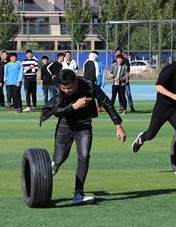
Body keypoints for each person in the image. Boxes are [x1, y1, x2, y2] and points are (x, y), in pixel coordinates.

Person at [40, 69, 126, 205]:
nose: (66, 91)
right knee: (59, 158)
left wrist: (118, 125)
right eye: (63, 88)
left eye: (69, 88)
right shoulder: (58, 88)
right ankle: (53, 167)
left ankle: (78, 194)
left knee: (84, 156)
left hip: (84, 124)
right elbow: (56, 111)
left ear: (76, 82)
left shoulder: (89, 84)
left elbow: (106, 102)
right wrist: (74, 106)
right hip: (65, 124)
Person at [132, 46, 176, 175]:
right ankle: (141, 138)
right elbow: (158, 86)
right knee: (151, 134)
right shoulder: (169, 70)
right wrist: (172, 95)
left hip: (175, 109)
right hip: (162, 107)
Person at [115, 47, 135, 112]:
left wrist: (127, 78)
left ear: (121, 53)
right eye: (116, 52)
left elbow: (128, 70)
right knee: (120, 94)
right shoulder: (115, 61)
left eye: (119, 52)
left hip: (125, 81)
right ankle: (122, 107)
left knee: (128, 93)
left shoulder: (126, 60)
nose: (117, 53)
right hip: (118, 81)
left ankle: (131, 106)